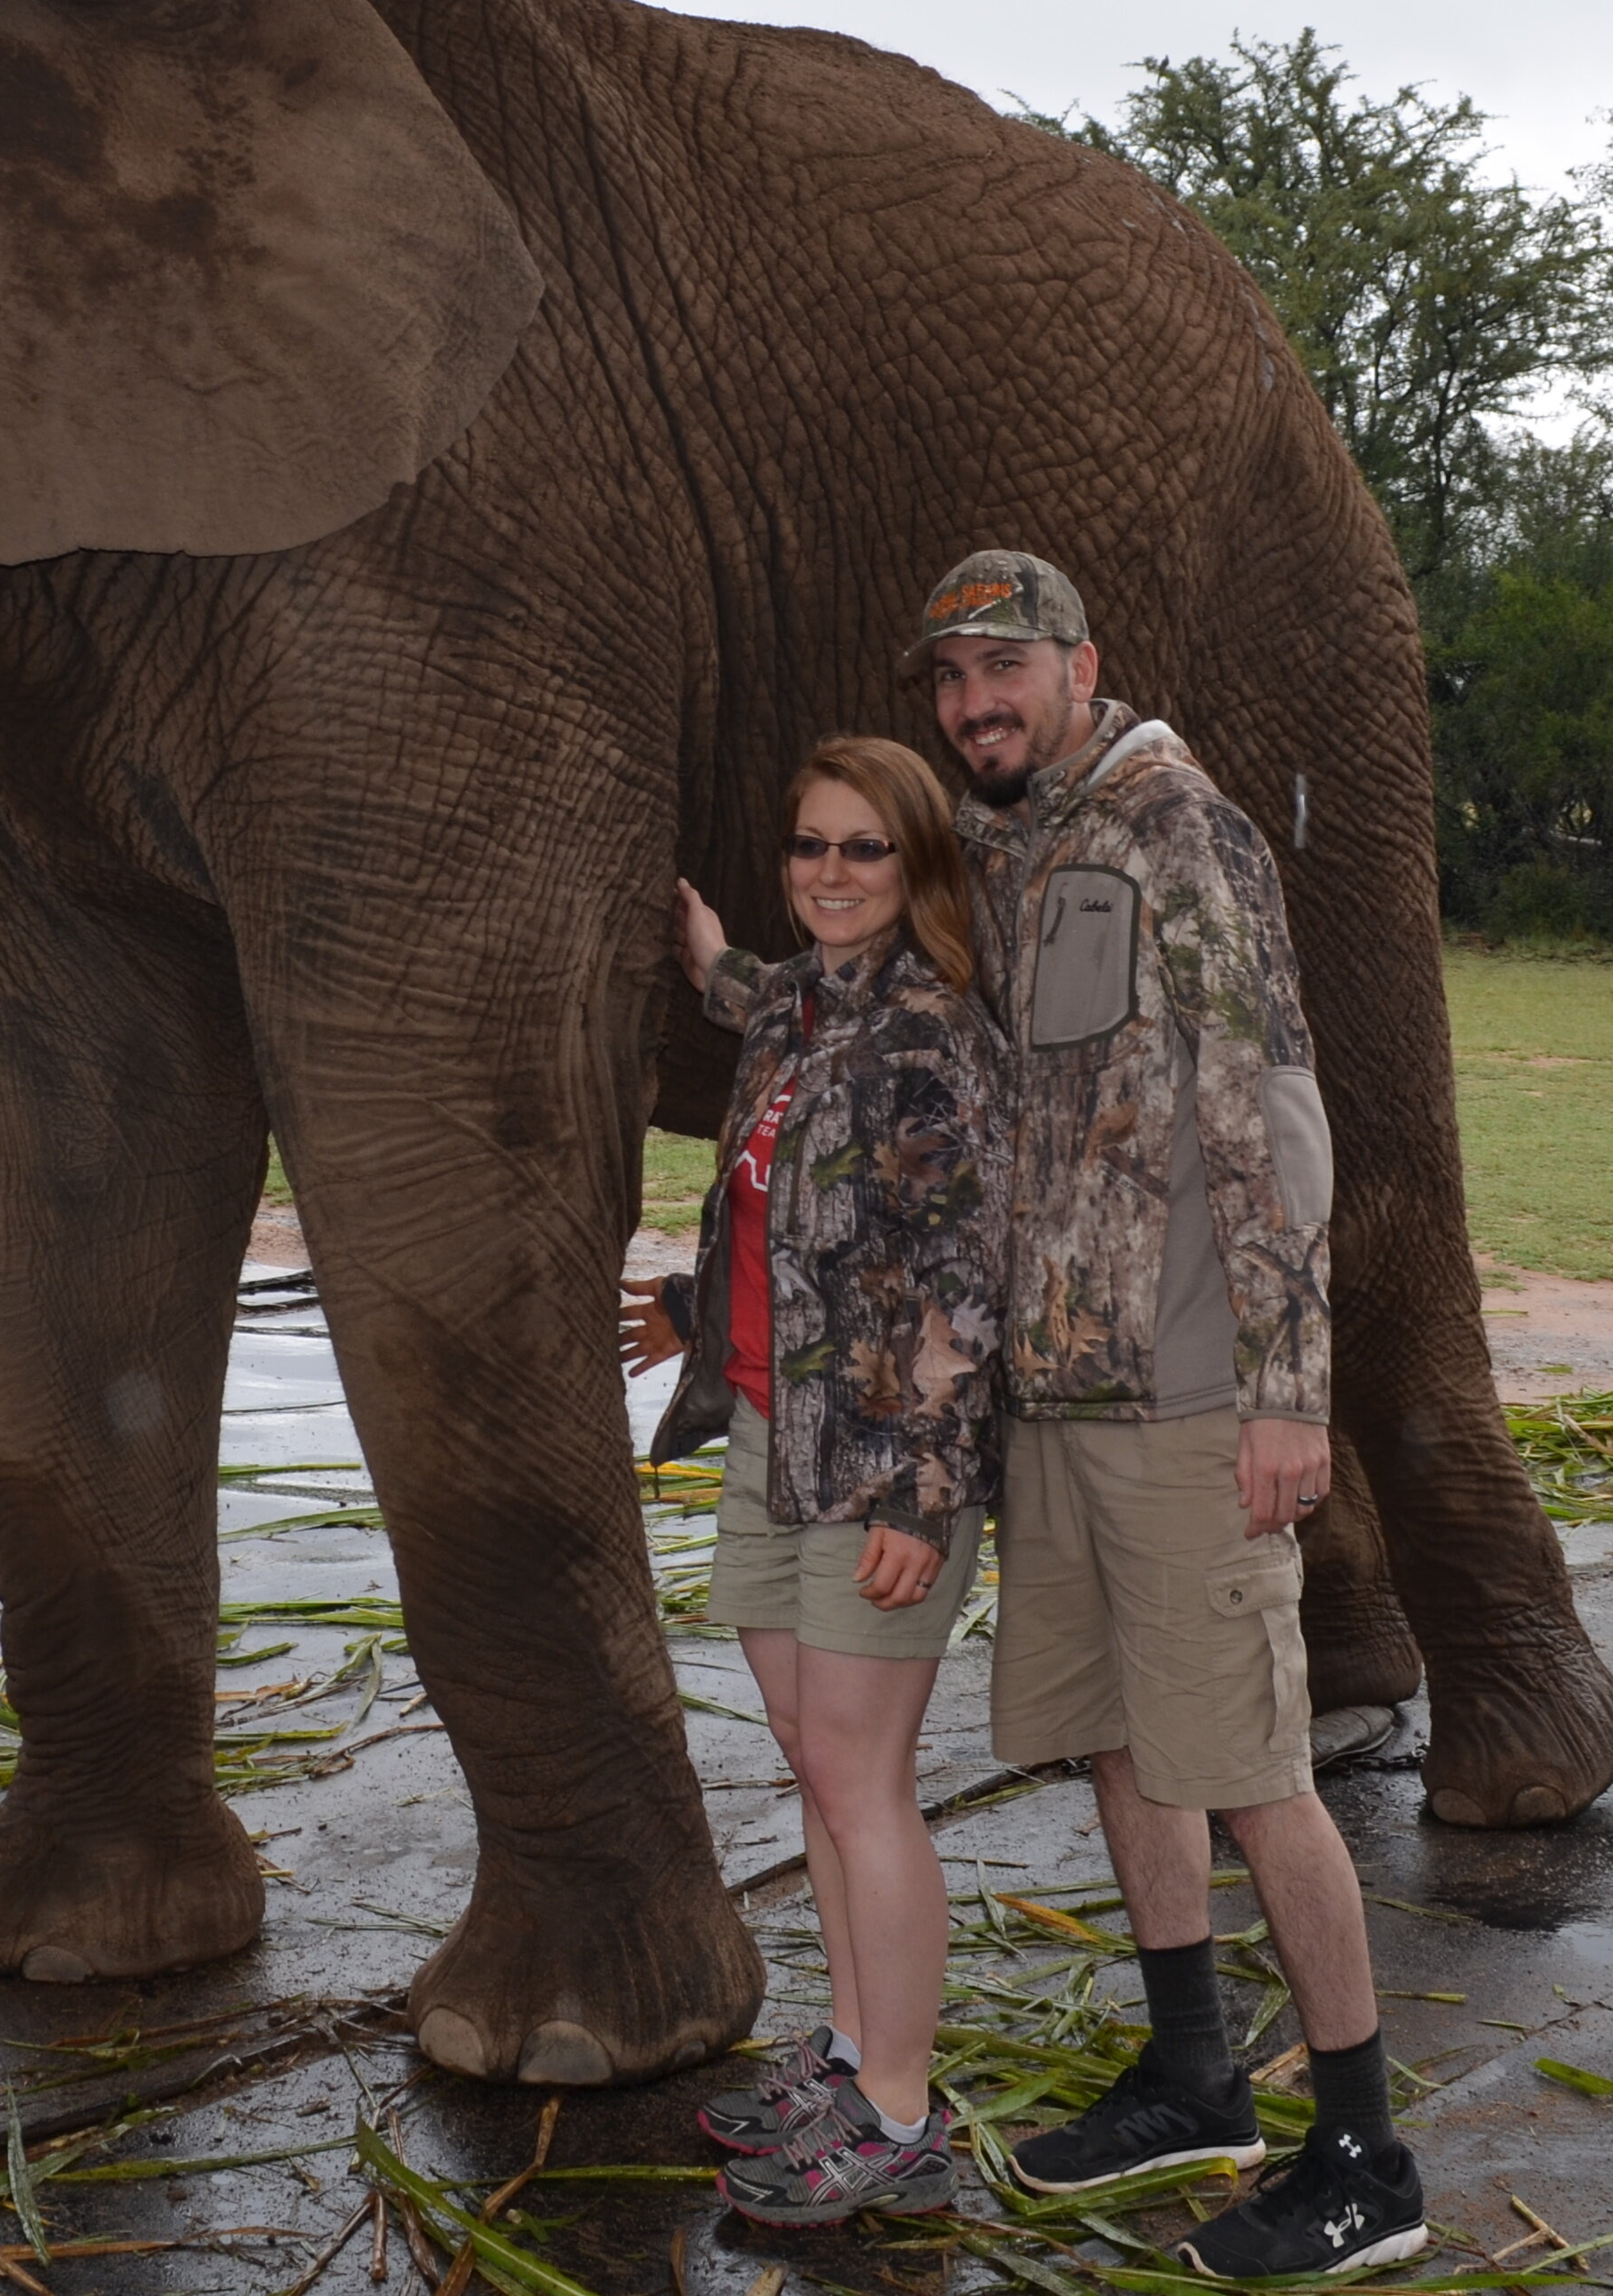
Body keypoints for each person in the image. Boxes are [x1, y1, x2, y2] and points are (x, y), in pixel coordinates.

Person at [910, 546, 1428, 2283]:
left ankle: (1360, 2150)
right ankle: (1193, 2073)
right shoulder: (1023, 841)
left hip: (1197, 1398)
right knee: (1123, 1741)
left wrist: (1290, 1393)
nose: (977, 702)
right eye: (952, 680)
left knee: (1254, 1772)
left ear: (1081, 665)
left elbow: (1270, 1109)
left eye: (1007, 669)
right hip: (1061, 1396)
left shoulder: (1174, 832)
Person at [628, 736, 1011, 2226]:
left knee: (865, 1788)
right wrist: (706, 942)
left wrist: (927, 1491)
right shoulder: (795, 1006)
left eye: (864, 850)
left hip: (875, 1470)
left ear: (916, 868)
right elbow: (740, 998)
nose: (832, 875)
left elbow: (964, 1279)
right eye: (810, 848)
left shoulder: (931, 1036)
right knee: (813, 1761)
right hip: (767, 1446)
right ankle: (853, 2054)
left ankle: (903, 2120)